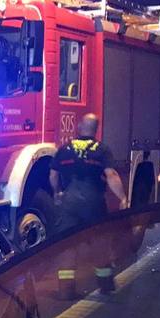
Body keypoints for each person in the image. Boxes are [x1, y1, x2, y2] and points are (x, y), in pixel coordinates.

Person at [49, 113, 128, 298]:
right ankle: (106, 285)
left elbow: (53, 175)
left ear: (79, 127)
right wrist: (123, 197)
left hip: (69, 200)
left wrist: (57, 192)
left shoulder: (65, 148)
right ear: (96, 129)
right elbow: (111, 175)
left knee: (67, 245)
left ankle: (66, 290)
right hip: (93, 200)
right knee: (100, 242)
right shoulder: (101, 149)